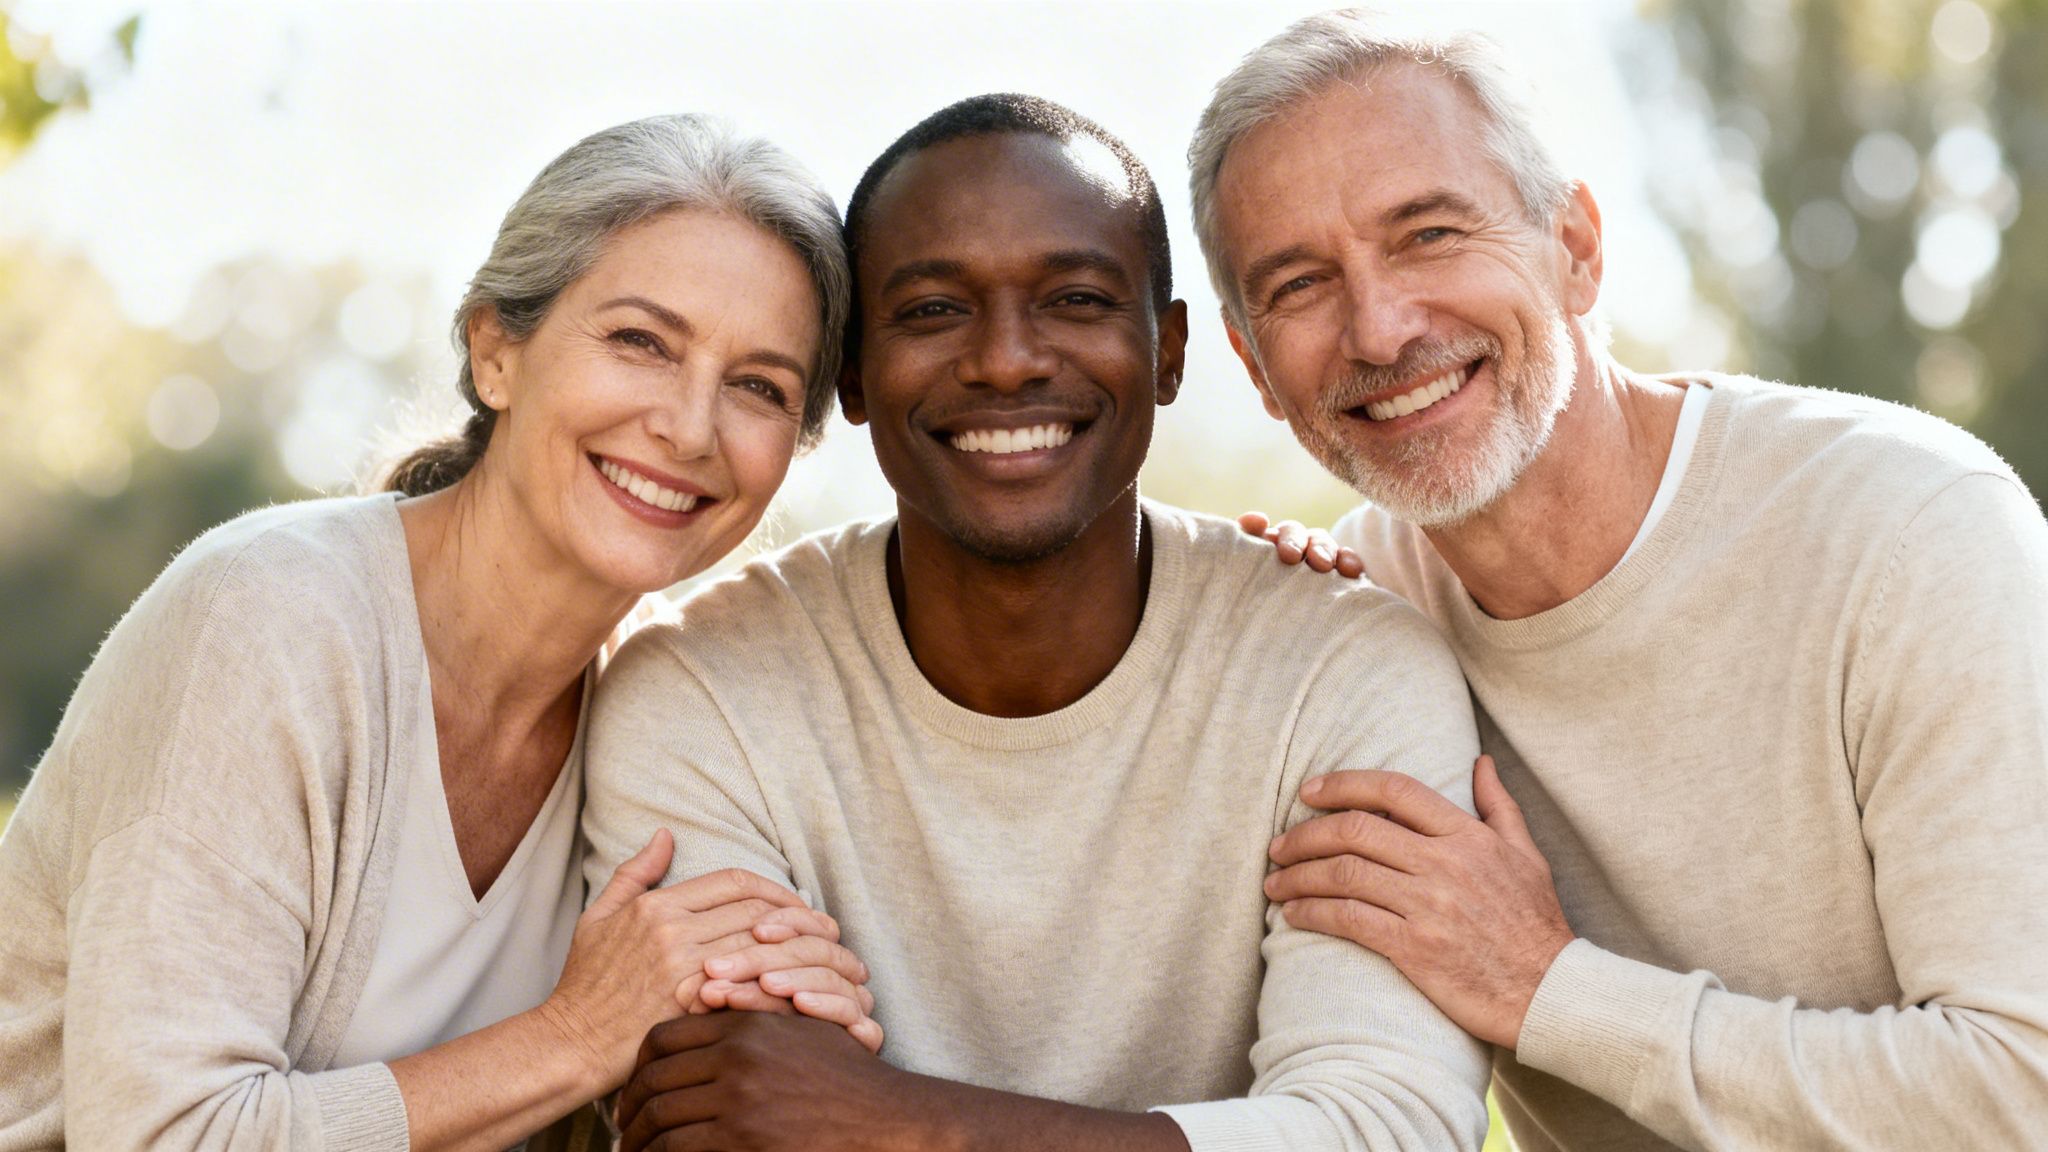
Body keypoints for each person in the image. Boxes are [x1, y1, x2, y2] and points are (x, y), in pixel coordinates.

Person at [1189, 10, 2048, 1151]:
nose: (1381, 328)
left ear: (1576, 248)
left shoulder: (1907, 530)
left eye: (1429, 233)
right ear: (1253, 367)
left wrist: (1548, 987)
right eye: (1297, 285)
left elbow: (2020, 1089)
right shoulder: (1349, 627)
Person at [581, 94, 1493, 1152]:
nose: (1006, 360)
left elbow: (1389, 1128)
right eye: (930, 310)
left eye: (1072, 298)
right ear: (852, 374)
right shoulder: (700, 691)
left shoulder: (1341, 671)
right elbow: (735, 1123)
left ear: (1167, 350)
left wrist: (899, 1125)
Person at [0, 114, 883, 1151]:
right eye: (640, 341)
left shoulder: (663, 720)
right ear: (494, 350)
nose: (690, 428)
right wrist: (579, 1032)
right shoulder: (265, 621)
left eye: (757, 387)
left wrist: (790, 993)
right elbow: (165, 1136)